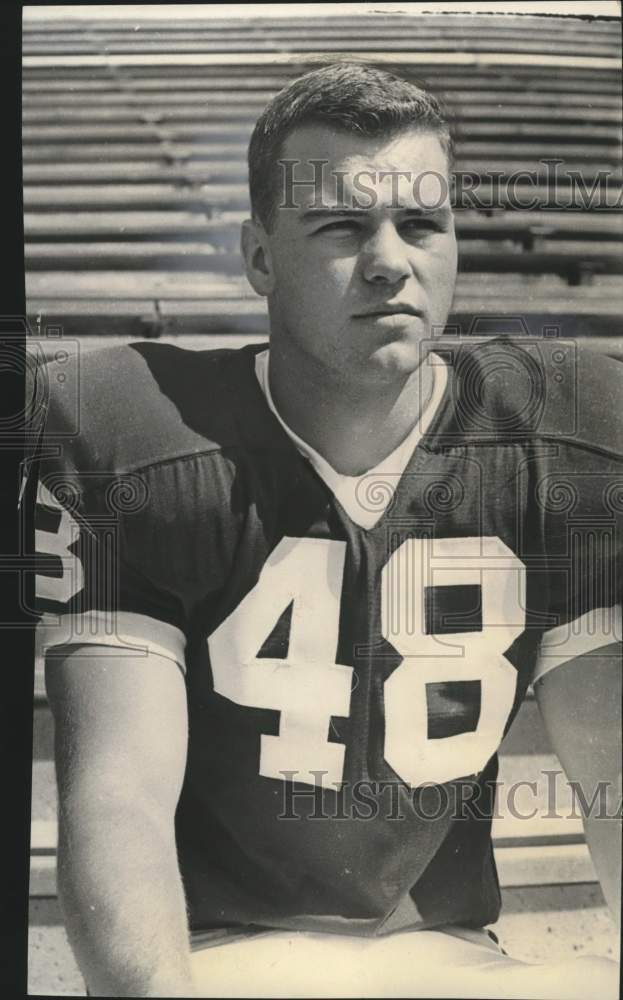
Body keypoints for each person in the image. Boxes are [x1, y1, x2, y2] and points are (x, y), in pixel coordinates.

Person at [33, 63, 621, 998]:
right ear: (259, 257)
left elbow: (610, 790)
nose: (391, 260)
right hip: (224, 960)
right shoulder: (133, 432)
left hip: (456, 961)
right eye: (343, 226)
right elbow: (118, 802)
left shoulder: (563, 432)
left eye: (421, 225)